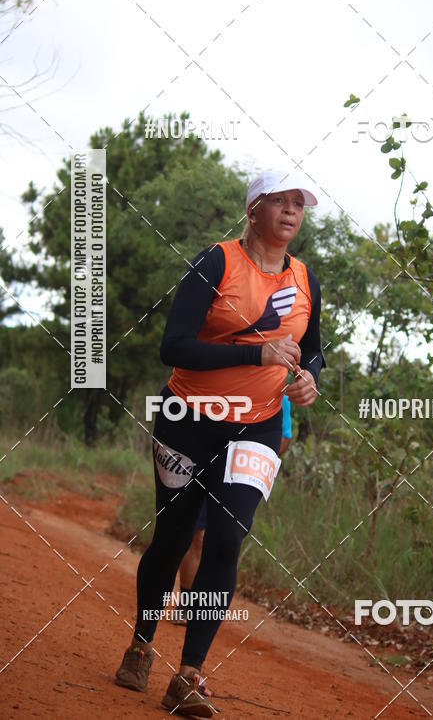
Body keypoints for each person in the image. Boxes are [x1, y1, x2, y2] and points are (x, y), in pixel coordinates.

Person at [114, 170, 325, 717]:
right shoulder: (216, 264)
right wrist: (256, 354)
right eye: (279, 200)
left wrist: (310, 379)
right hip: (186, 418)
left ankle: (188, 675)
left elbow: (313, 348)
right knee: (173, 538)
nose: (290, 211)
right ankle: (141, 643)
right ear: (254, 207)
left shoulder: (305, 279)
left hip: (257, 425)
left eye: (298, 203)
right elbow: (174, 347)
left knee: (226, 541)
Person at [173, 394, 294, 622]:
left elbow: (285, 435)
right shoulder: (224, 376)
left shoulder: (278, 394)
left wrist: (258, 456)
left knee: (223, 539)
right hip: (204, 463)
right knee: (196, 535)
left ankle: (207, 606)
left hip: (238, 473)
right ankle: (187, 603)